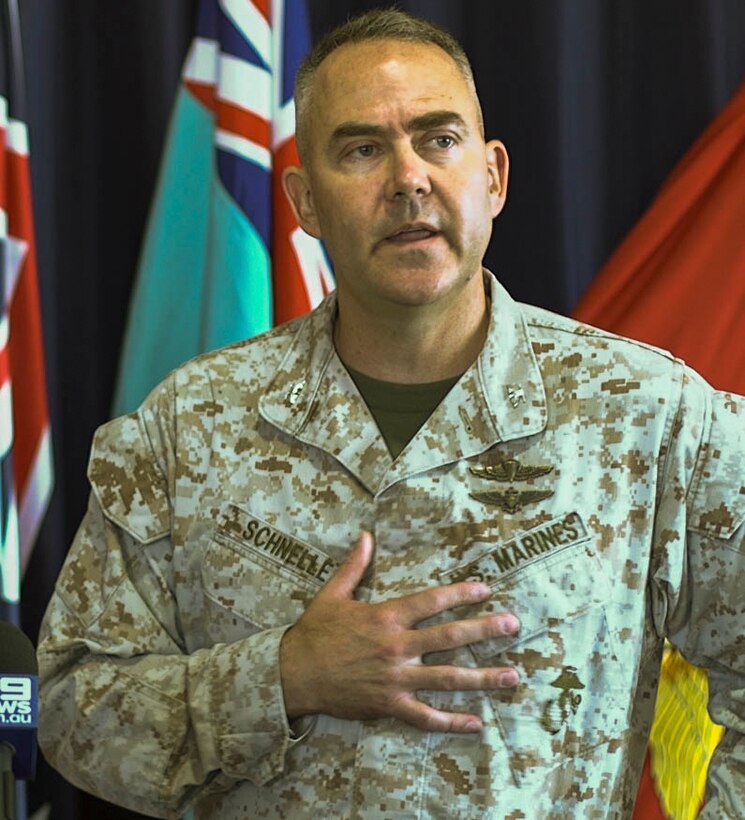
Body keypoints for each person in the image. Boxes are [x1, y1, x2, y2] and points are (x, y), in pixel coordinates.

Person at [38, 9, 745, 819]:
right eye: (363, 149)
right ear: (303, 200)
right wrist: (282, 679)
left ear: (493, 177)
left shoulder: (650, 416)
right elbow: (65, 705)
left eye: (438, 140)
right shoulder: (186, 426)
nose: (409, 177)